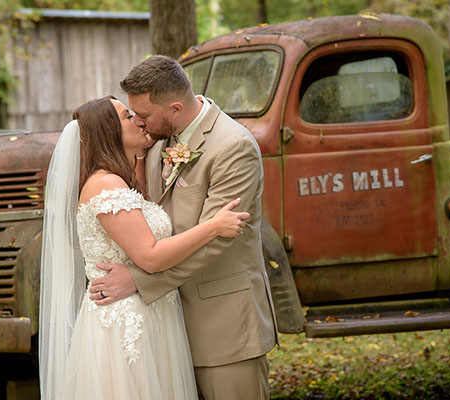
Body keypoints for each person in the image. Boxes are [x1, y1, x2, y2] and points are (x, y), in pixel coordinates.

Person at [88, 55, 279, 399]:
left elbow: (215, 240)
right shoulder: (160, 139)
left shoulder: (233, 146)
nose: (139, 124)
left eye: (143, 116)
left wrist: (136, 279)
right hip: (165, 331)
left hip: (223, 328)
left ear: (175, 108)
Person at [38, 96, 251, 399]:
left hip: (151, 310)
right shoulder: (105, 185)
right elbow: (149, 256)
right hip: (126, 323)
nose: (138, 120)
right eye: (128, 117)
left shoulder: (123, 178)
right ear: (109, 131)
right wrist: (213, 227)